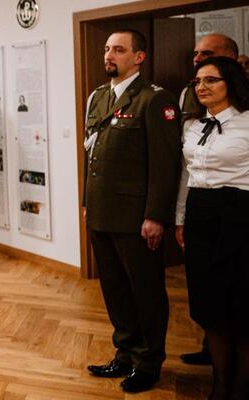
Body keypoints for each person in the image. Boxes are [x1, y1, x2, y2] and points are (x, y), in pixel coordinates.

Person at [83, 29, 182, 394]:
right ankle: (124, 352)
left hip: (136, 218)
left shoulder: (155, 100)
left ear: (139, 57)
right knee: (115, 289)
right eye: (108, 49)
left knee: (146, 292)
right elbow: (91, 156)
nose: (109, 55)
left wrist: (156, 215)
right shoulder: (98, 97)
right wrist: (86, 202)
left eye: (119, 50)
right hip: (101, 212)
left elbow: (164, 165)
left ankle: (149, 361)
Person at [175, 56, 249, 400]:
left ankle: (241, 385)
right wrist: (180, 218)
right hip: (200, 213)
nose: (201, 87)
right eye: (197, 81)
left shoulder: (247, 122)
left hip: (240, 213)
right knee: (209, 305)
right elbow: (186, 176)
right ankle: (219, 382)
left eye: (210, 80)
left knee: (241, 305)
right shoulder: (192, 125)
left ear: (230, 83)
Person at [179, 33, 238, 123]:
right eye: (195, 53)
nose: (196, 59)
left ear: (230, 57)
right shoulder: (188, 92)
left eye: (206, 53)